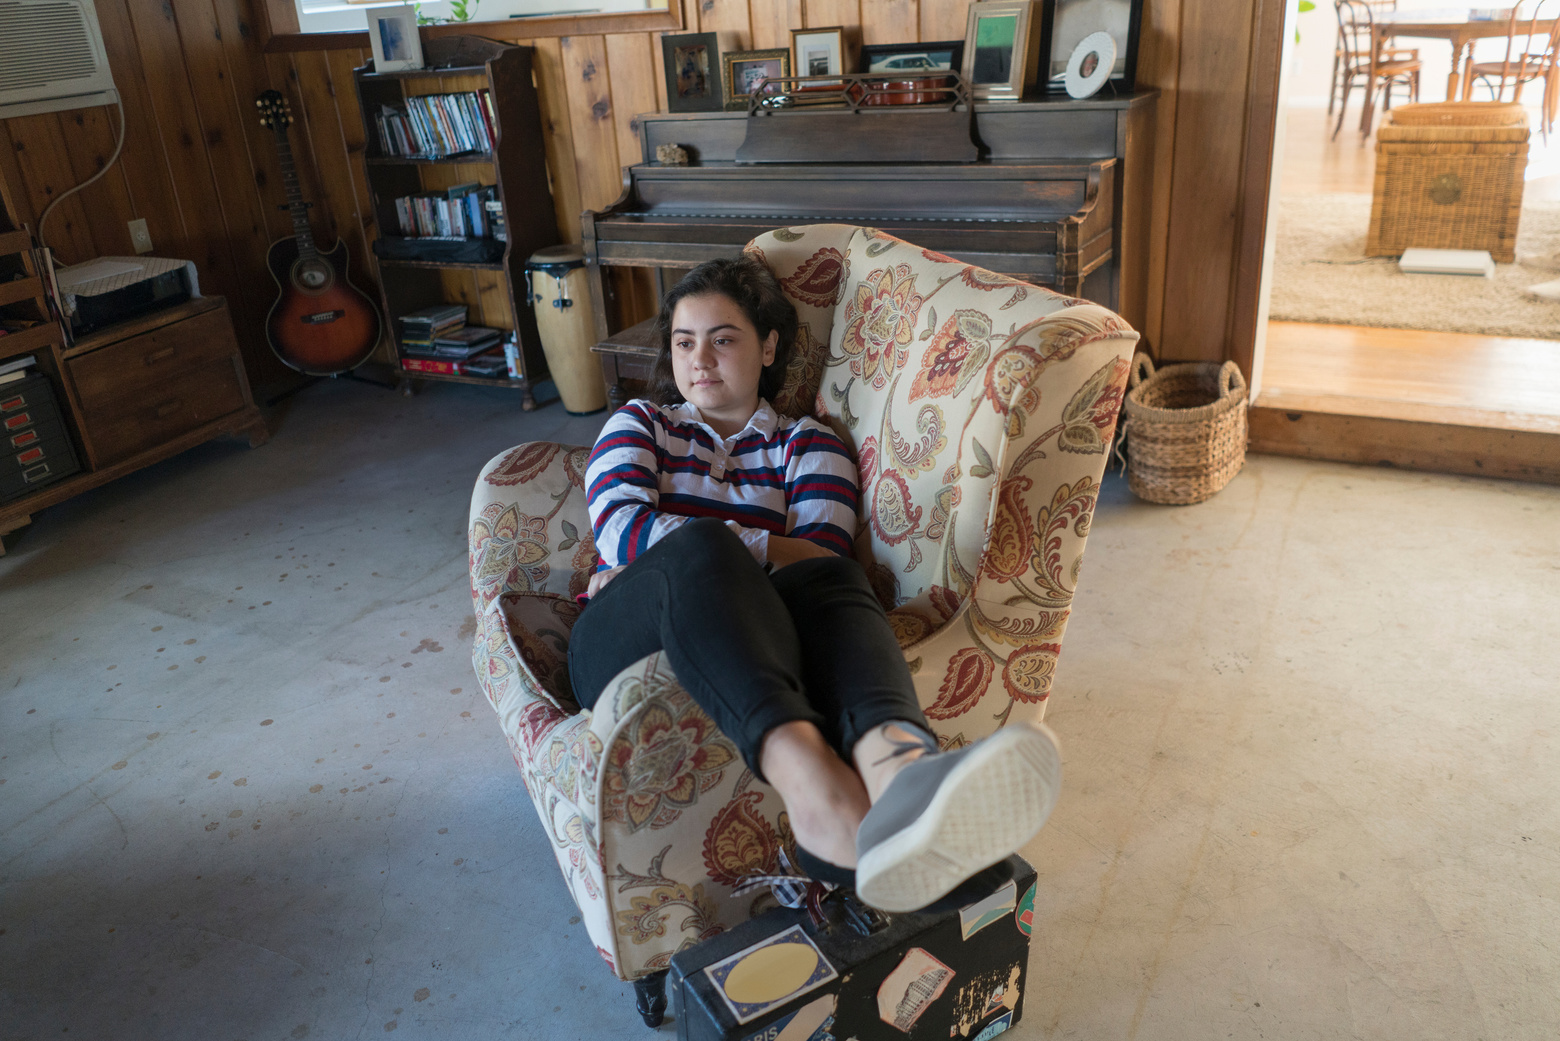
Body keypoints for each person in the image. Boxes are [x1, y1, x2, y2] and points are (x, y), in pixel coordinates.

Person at [566, 256, 1061, 913]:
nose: (700, 359)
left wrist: (697, 549)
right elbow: (621, 532)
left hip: (754, 632)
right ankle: (819, 794)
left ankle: (898, 771)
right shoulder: (640, 424)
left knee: (829, 574)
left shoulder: (810, 445)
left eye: (724, 338)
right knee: (703, 547)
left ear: (768, 346)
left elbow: (818, 563)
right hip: (616, 638)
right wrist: (747, 545)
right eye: (684, 342)